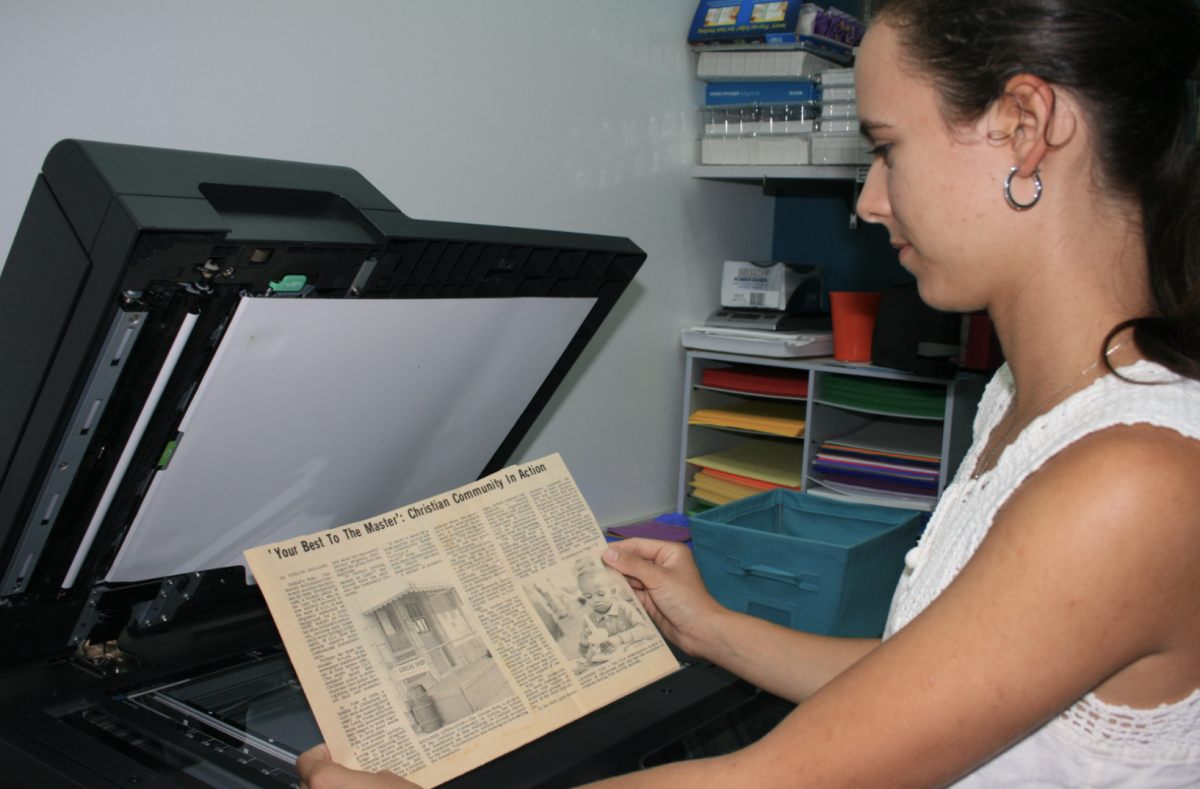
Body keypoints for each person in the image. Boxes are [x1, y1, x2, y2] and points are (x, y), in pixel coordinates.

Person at [298, 1, 1200, 786]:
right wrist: (711, 629)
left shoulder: (1132, 478)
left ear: (1024, 124)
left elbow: (773, 779)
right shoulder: (1022, 399)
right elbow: (924, 686)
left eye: (887, 148)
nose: (870, 201)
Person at [575, 565, 652, 660]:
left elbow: (646, 629)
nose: (595, 600)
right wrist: (584, 644)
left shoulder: (623, 607)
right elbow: (587, 657)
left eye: (601, 594)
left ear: (612, 592)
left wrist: (619, 639)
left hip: (638, 653)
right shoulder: (589, 621)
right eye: (588, 596)